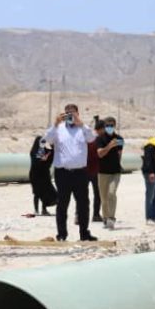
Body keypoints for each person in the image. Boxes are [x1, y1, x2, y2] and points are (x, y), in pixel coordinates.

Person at [42, 103, 97, 242]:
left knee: (83, 204)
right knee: (62, 204)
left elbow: (92, 138)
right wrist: (55, 124)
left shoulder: (83, 129)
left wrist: (81, 124)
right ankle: (61, 235)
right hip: (62, 173)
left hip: (80, 173)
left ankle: (84, 234)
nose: (70, 115)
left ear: (78, 114)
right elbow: (47, 139)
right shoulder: (58, 129)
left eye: (73, 113)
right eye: (67, 113)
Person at [95, 116, 124, 229]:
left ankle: (111, 218)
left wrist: (118, 165)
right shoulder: (100, 139)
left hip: (115, 172)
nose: (109, 127)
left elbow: (119, 154)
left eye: (111, 125)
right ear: (104, 126)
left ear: (115, 126)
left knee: (111, 193)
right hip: (102, 172)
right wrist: (110, 146)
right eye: (107, 125)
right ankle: (105, 218)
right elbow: (100, 154)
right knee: (103, 198)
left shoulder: (119, 139)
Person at [28, 135, 57, 216]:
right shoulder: (33, 151)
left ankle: (44, 210)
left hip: (44, 174)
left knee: (46, 192)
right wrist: (43, 158)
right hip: (35, 175)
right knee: (37, 192)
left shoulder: (45, 150)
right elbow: (37, 160)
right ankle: (36, 210)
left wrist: (52, 146)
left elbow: (52, 153)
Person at [87, 119, 103, 224]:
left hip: (84, 169)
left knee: (82, 194)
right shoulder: (100, 140)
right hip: (96, 170)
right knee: (97, 194)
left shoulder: (87, 138)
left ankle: (79, 215)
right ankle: (96, 215)